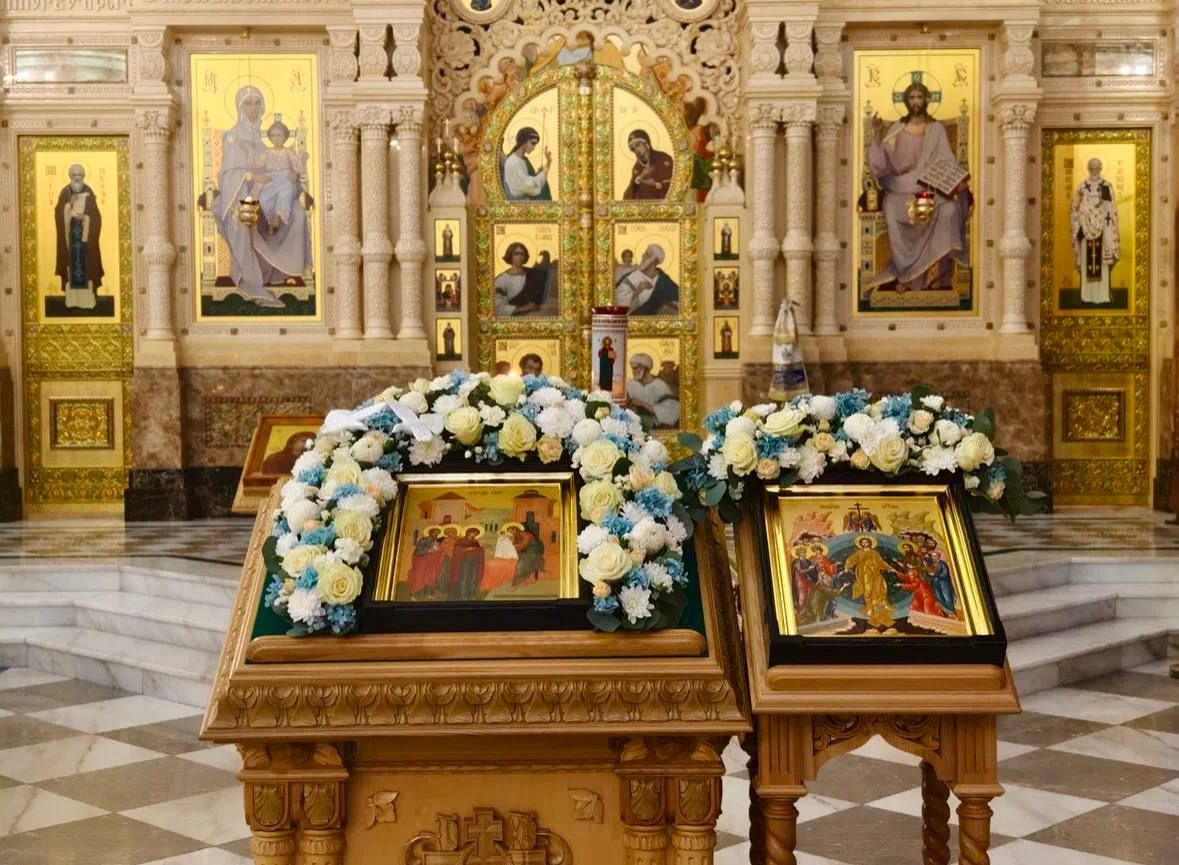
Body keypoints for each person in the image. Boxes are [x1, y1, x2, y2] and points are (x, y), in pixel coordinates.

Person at [211, 86, 311, 308]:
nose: (253, 108)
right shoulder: (232, 137)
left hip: (266, 188)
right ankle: (252, 279)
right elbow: (228, 174)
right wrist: (252, 176)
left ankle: (284, 270)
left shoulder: (261, 137)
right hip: (239, 192)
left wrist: (289, 177)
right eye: (248, 103)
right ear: (239, 107)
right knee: (244, 218)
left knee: (297, 212)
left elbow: (274, 166)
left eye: (257, 103)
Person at [866, 81, 971, 292]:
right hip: (899, 189)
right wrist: (877, 133)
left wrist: (954, 182)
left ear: (926, 100)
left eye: (919, 97)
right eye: (912, 97)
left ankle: (936, 275)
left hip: (930, 189)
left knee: (950, 210)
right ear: (906, 101)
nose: (915, 102)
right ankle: (907, 273)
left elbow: (947, 162)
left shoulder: (936, 129)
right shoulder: (896, 129)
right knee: (893, 210)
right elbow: (880, 166)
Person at [1071, 157, 1120, 304]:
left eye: (1097, 168)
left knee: (1102, 262)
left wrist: (1101, 214)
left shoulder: (1106, 186)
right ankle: (1087, 296)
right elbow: (1074, 208)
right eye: (1091, 168)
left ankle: (1102, 295)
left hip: (1103, 230)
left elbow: (1111, 209)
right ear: (1087, 168)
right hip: (1085, 230)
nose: (1094, 170)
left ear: (1101, 168)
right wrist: (1082, 213)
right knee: (1087, 260)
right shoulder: (1082, 187)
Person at [54, 164, 103, 311]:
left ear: (84, 176)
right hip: (69, 239)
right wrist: (68, 206)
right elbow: (58, 213)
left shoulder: (89, 192)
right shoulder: (65, 192)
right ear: (70, 176)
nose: (77, 178)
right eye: (74, 175)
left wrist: (86, 218)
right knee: (71, 265)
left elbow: (96, 216)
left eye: (80, 175)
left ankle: (88, 300)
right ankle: (71, 301)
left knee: (88, 265)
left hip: (86, 241)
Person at [257, 116, 309, 236]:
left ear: (285, 137)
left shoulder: (288, 152)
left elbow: (298, 167)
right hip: (271, 180)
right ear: (269, 137)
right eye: (273, 135)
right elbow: (256, 163)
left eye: (279, 135)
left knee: (284, 194)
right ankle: (270, 220)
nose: (276, 138)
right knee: (264, 198)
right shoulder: (267, 153)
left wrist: (300, 163)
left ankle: (278, 218)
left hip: (286, 179)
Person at [844, 535, 895, 629]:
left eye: (866, 542)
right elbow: (851, 559)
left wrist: (889, 568)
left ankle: (879, 607)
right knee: (868, 590)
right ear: (861, 544)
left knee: (880, 587)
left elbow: (880, 562)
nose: (864, 544)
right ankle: (869, 608)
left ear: (870, 543)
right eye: (863, 543)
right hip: (864, 573)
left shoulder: (874, 553)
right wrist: (847, 566)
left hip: (875, 572)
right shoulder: (859, 552)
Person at [614, 244, 680, 315]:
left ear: (654, 260)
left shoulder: (663, 280)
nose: (643, 255)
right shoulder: (633, 275)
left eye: (646, 254)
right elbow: (618, 298)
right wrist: (638, 291)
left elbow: (679, 297)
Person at [626, 353, 680, 428]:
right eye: (632, 368)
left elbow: (674, 408)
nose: (633, 372)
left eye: (636, 368)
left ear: (645, 368)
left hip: (654, 425)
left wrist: (643, 404)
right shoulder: (631, 384)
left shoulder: (659, 385)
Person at [494, 242, 548, 316]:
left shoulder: (533, 273)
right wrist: (523, 308)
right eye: (516, 254)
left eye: (522, 254)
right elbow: (497, 308)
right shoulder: (502, 280)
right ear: (510, 256)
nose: (520, 257)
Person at [503, 126, 552, 201]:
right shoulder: (513, 161)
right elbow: (528, 185)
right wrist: (547, 166)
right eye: (533, 143)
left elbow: (528, 179)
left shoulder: (523, 160)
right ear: (524, 142)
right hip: (518, 201)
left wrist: (539, 173)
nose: (534, 148)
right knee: (543, 188)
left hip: (526, 196)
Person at [623, 129, 674, 201]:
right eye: (633, 149)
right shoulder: (637, 168)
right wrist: (636, 182)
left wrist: (655, 185)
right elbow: (627, 197)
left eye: (638, 145)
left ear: (646, 143)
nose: (636, 150)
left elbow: (672, 185)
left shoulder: (663, 158)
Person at [407, 526, 444, 600]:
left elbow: (438, 551)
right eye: (434, 533)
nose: (435, 535)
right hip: (421, 562)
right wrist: (428, 550)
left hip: (430, 563)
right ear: (430, 533)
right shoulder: (423, 540)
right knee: (419, 577)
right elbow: (418, 551)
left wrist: (438, 550)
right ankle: (413, 595)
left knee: (430, 578)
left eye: (437, 534)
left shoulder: (436, 542)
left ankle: (428, 594)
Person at [451, 526, 487, 601]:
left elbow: (479, 549)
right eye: (474, 533)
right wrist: (468, 549)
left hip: (474, 562)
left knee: (473, 578)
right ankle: (463, 595)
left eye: (476, 534)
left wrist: (481, 549)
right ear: (469, 532)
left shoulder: (475, 542)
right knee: (464, 578)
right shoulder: (461, 541)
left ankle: (471, 594)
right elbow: (457, 550)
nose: (475, 535)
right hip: (465, 562)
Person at [481, 526, 520, 593]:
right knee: (490, 565)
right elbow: (498, 548)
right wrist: (498, 556)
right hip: (502, 557)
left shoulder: (510, 539)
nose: (502, 534)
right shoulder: (499, 539)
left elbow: (511, 548)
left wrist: (512, 556)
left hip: (511, 557)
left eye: (503, 533)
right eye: (501, 533)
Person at [510, 522, 546, 587]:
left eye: (513, 530)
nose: (512, 532)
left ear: (517, 529)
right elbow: (515, 545)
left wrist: (512, 547)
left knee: (521, 564)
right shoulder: (515, 537)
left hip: (535, 549)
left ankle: (515, 584)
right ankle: (528, 579)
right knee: (514, 559)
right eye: (510, 531)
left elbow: (522, 545)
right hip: (525, 550)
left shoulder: (526, 535)